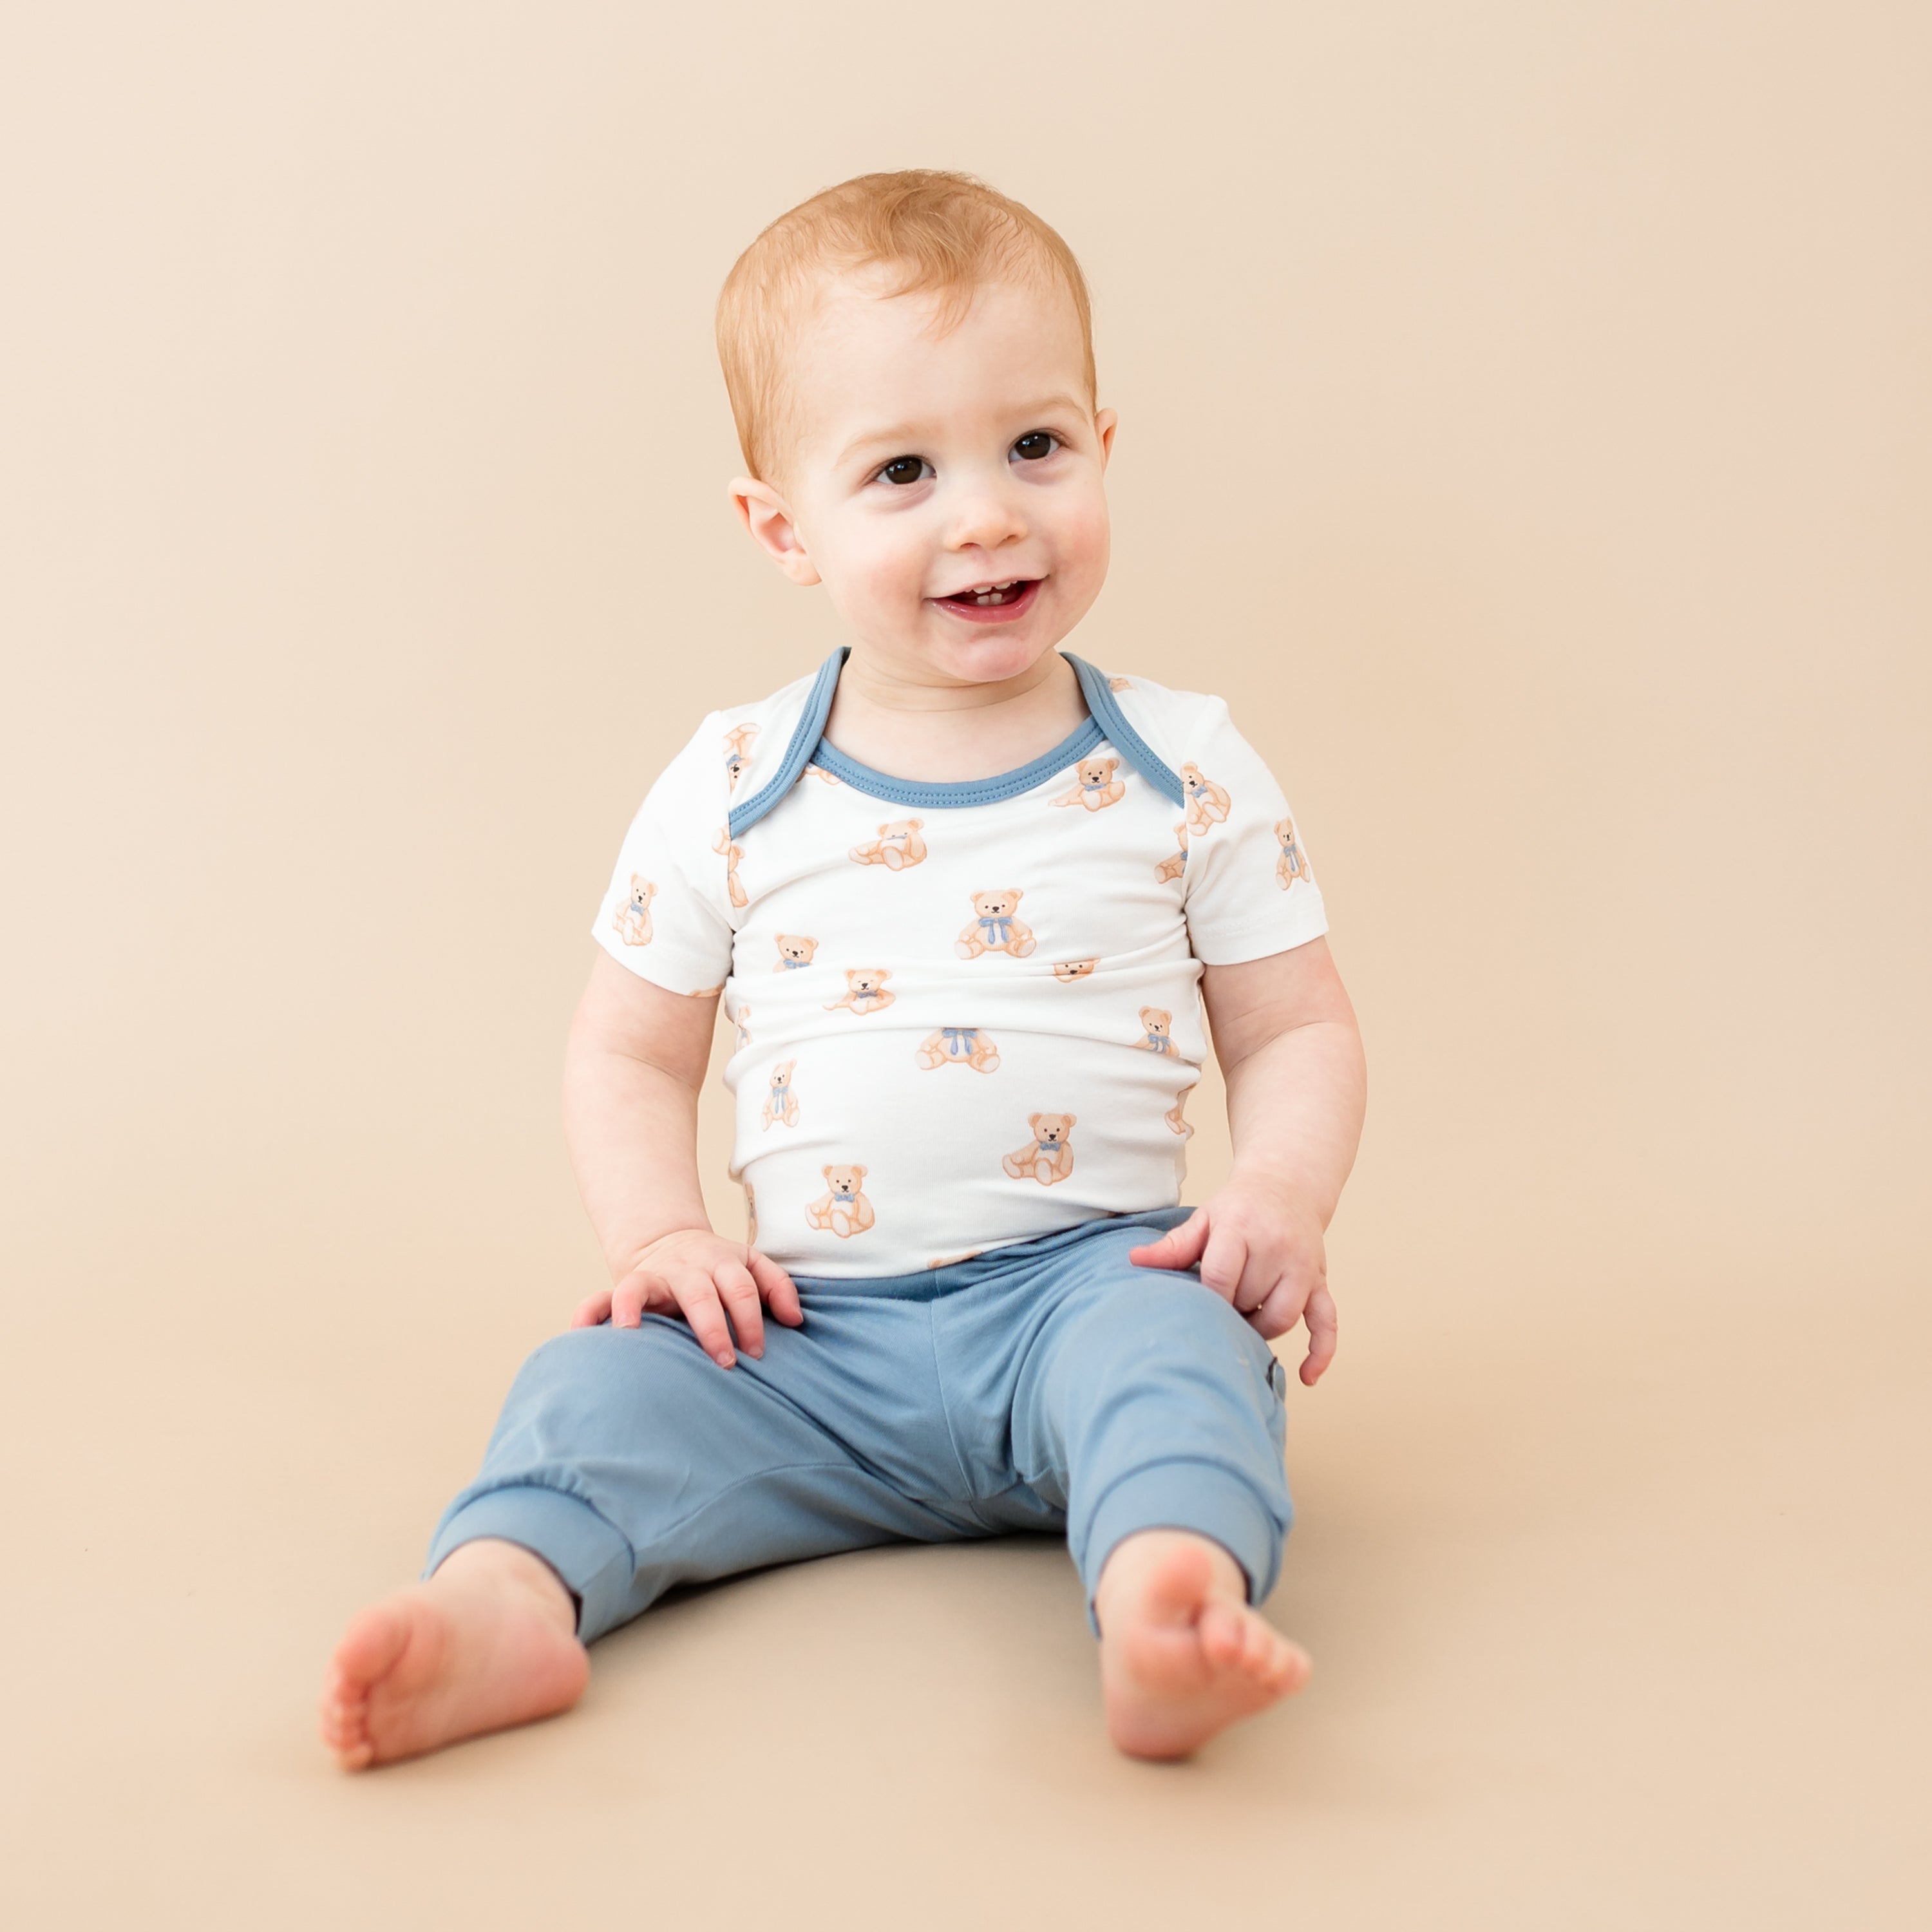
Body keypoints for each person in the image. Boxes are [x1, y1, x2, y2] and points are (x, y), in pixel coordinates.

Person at [320, 170, 1367, 1769]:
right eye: (901, 470)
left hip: (1089, 1291)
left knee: (1184, 1366)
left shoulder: (1185, 764)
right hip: (800, 1339)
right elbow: (630, 1052)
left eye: (1036, 445)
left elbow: (1295, 1027)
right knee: (593, 1386)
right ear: (782, 528)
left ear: (1103, 445)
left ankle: (1167, 1593)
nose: (988, 513)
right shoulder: (733, 784)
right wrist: (662, 1233)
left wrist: (1278, 1201)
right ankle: (506, 1604)